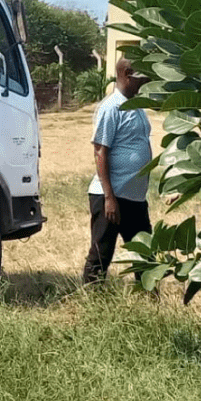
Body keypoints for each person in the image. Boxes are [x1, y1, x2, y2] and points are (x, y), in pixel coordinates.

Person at [82, 58, 153, 285]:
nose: (146, 82)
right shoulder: (112, 107)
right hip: (112, 197)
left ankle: (149, 299)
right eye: (142, 78)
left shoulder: (136, 104)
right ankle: (91, 299)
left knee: (145, 252)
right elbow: (100, 151)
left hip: (134, 198)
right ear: (128, 74)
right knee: (101, 253)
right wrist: (109, 197)